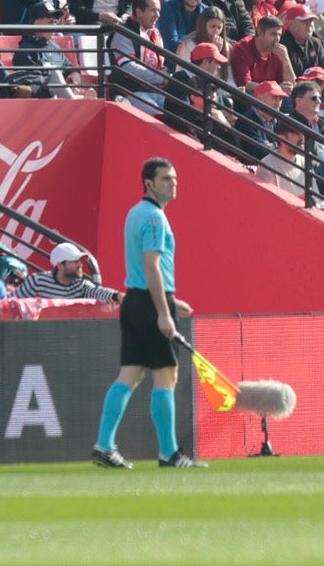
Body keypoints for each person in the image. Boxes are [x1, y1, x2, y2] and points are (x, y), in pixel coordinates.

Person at [93, 158, 202, 469]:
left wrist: (171, 301)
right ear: (149, 183)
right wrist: (164, 311)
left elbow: (145, 271)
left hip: (136, 301)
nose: (173, 183)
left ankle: (104, 445)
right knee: (166, 375)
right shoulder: (155, 218)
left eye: (174, 178)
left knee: (130, 375)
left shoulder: (136, 212)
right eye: (166, 178)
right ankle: (169, 453)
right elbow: (151, 266)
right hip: (150, 305)